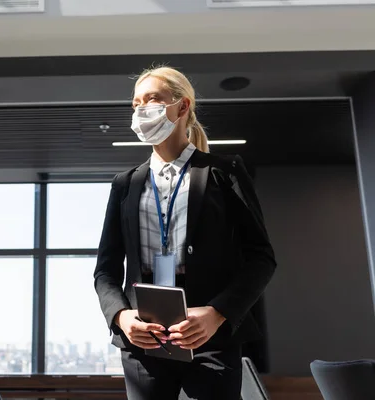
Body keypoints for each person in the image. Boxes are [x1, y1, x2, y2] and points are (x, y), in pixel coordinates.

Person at [93, 66, 277, 399]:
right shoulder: (125, 184)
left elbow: (261, 258)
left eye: (153, 99)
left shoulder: (224, 172)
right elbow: (105, 271)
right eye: (136, 103)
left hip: (209, 337)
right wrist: (121, 316)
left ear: (182, 106)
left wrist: (217, 313)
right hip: (143, 341)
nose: (142, 109)